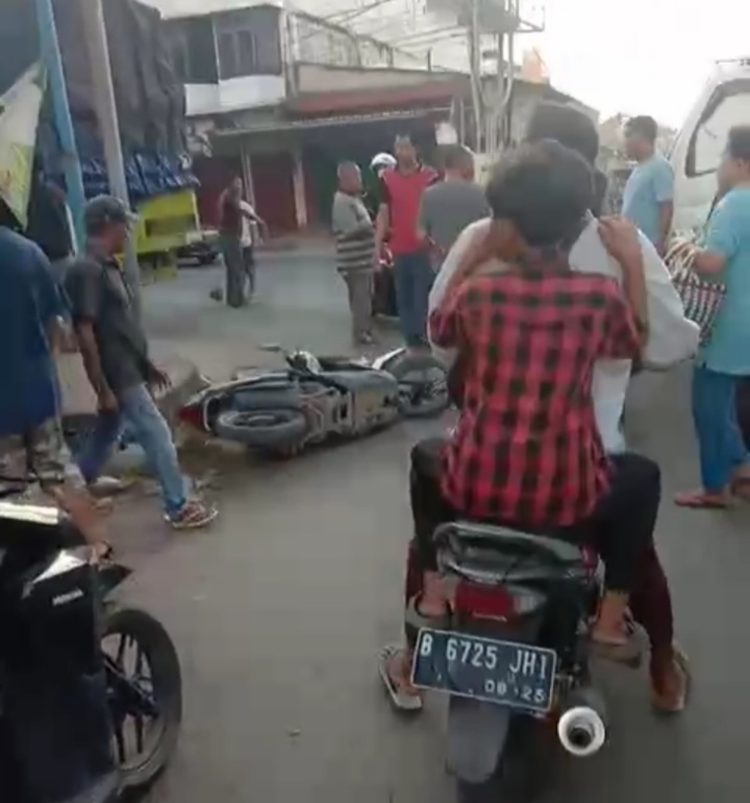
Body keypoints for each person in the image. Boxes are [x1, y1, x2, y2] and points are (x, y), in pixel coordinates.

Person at [380, 140, 689, 714]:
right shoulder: (598, 295)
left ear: (505, 225)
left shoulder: (479, 291)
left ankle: (432, 597)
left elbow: (439, 332)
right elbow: (635, 344)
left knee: (426, 460)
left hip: (474, 486)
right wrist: (628, 266)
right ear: (580, 221)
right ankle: (614, 621)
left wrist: (472, 256)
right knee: (641, 480)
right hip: (568, 496)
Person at [65, 195, 217, 530]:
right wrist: (102, 388)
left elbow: (119, 326)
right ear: (109, 225)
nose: (128, 233)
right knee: (156, 433)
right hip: (118, 373)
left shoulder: (106, 265)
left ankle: (73, 488)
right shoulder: (86, 270)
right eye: (124, 226)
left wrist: (146, 364)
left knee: (107, 433)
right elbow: (86, 334)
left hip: (128, 366)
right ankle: (178, 506)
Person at [0, 199, 105, 549]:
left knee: (9, 495)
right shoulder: (29, 253)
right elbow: (58, 326)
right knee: (62, 475)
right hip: (38, 392)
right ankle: (98, 554)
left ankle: (23, 578)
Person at [675, 126, 750, 508]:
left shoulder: (734, 203)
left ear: (739, 162)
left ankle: (713, 487)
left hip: (728, 323)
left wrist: (686, 247)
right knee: (727, 405)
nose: (719, 167)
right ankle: (743, 470)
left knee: (709, 406)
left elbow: (711, 263)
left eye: (722, 157)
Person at [375, 134, 438, 348]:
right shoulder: (386, 179)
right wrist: (377, 247)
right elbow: (383, 214)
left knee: (423, 298)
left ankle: (424, 339)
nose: (401, 152)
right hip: (399, 250)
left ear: (416, 149)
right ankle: (411, 342)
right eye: (398, 148)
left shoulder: (431, 177)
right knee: (404, 299)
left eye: (406, 147)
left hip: (425, 249)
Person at [417, 144, 489, 265]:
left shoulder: (429, 194)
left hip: (442, 265)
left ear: (446, 167)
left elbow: (420, 235)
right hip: (474, 264)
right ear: (466, 165)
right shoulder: (482, 194)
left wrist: (439, 248)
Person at [332, 162, 376, 345]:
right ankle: (361, 334)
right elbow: (348, 230)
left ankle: (363, 331)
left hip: (361, 259)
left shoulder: (353, 199)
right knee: (361, 300)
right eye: (357, 177)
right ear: (347, 179)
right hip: (354, 261)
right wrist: (368, 225)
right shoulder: (342, 201)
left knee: (362, 297)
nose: (360, 181)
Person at [622, 115, 674, 255]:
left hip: (647, 248)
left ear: (641, 137)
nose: (624, 142)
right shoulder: (639, 168)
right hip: (630, 245)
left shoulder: (660, 167)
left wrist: (659, 244)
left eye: (628, 135)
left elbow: (666, 207)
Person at [219, 176, 267, 307]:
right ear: (231, 186)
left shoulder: (229, 198)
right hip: (231, 237)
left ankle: (232, 299)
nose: (240, 188)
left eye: (240, 184)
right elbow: (242, 211)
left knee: (233, 269)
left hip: (231, 237)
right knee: (237, 269)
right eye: (237, 184)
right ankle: (238, 299)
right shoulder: (230, 198)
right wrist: (258, 219)